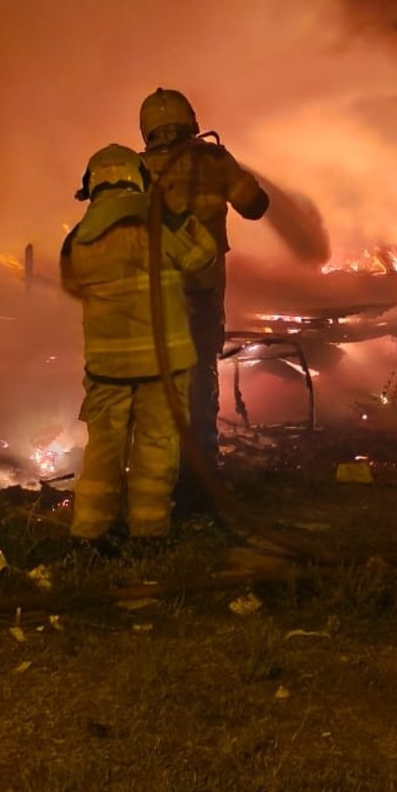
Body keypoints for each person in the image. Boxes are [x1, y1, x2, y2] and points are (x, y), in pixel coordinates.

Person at [60, 142, 217, 546]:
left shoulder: (78, 240)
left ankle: (90, 537)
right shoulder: (159, 227)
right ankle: (148, 536)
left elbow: (71, 283)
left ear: (91, 186)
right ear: (139, 178)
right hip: (163, 371)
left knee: (103, 454)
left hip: (107, 371)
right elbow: (204, 256)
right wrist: (178, 212)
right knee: (156, 449)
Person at [138, 88, 270, 493]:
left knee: (155, 379)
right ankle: (202, 475)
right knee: (200, 377)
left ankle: (157, 472)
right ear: (190, 120)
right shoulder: (214, 161)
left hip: (152, 296)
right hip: (203, 289)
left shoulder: (135, 169)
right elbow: (256, 205)